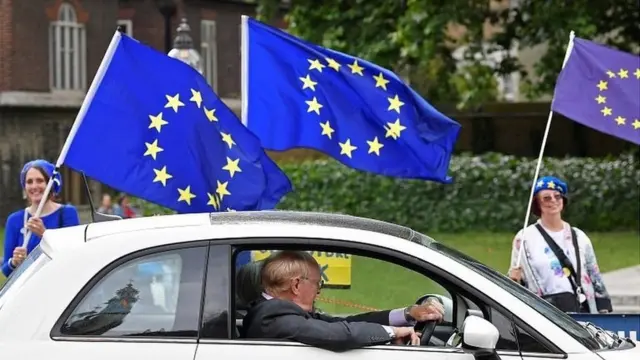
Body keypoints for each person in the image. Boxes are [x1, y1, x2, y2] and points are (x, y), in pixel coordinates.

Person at [242, 250, 445, 352]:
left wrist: (406, 314)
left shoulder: (279, 311)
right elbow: (337, 333)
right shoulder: (273, 318)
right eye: (317, 285)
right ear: (296, 285)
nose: (318, 293)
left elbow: (338, 323)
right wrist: (393, 332)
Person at [508, 175, 612, 314]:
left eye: (557, 196)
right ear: (537, 203)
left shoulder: (579, 237)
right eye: (546, 198)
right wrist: (513, 279)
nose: (553, 201)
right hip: (546, 313)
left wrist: (604, 309)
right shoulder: (524, 239)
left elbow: (595, 275)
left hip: (583, 310)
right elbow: (516, 280)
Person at [2, 159, 80, 277]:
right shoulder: (14, 220)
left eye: (40, 181)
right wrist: (14, 262)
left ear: (50, 184)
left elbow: (73, 258)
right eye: (29, 182)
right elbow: (6, 271)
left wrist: (44, 235)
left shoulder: (67, 213)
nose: (34, 186)